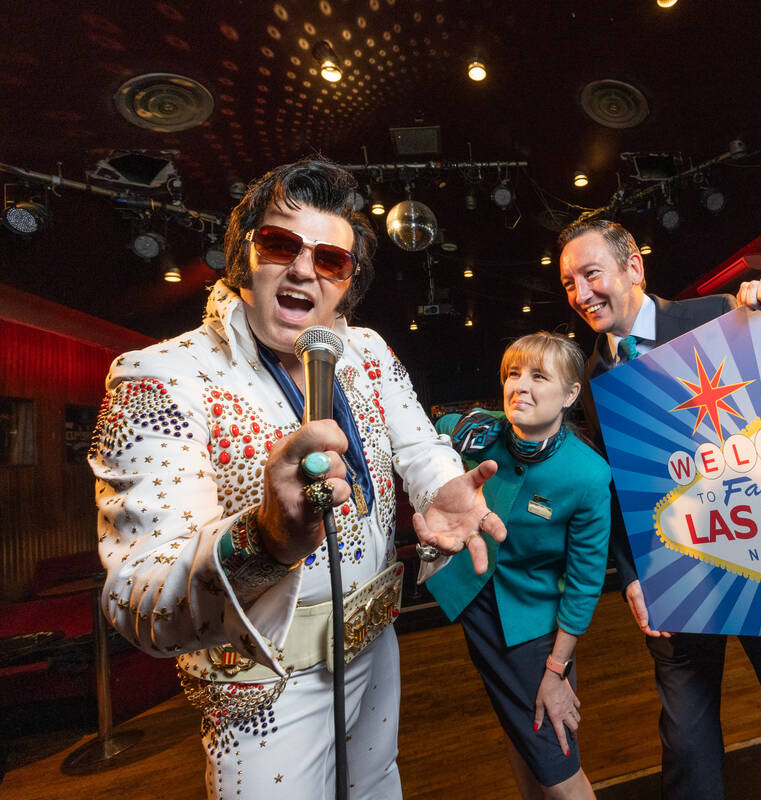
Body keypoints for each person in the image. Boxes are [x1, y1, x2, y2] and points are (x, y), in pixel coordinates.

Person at [89, 157, 506, 800]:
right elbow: (137, 600)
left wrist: (441, 485)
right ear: (242, 255)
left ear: (347, 283)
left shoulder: (365, 350)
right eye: (282, 244)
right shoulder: (160, 378)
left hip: (377, 647)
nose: (305, 269)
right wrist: (265, 539)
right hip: (261, 688)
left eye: (331, 260)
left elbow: (418, 442)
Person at [557, 219, 761, 800]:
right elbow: (615, 485)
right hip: (676, 575)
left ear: (633, 267)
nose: (581, 294)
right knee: (686, 739)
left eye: (591, 275)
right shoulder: (590, 374)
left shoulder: (722, 316)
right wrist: (632, 576)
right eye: (568, 284)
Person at [424, 332, 611, 799]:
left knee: (558, 766)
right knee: (520, 736)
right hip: (474, 606)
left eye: (538, 376)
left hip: (532, 628)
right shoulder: (477, 430)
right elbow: (419, 439)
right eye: (512, 374)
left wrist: (556, 670)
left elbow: (585, 585)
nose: (519, 386)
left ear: (570, 394)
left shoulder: (589, 476)